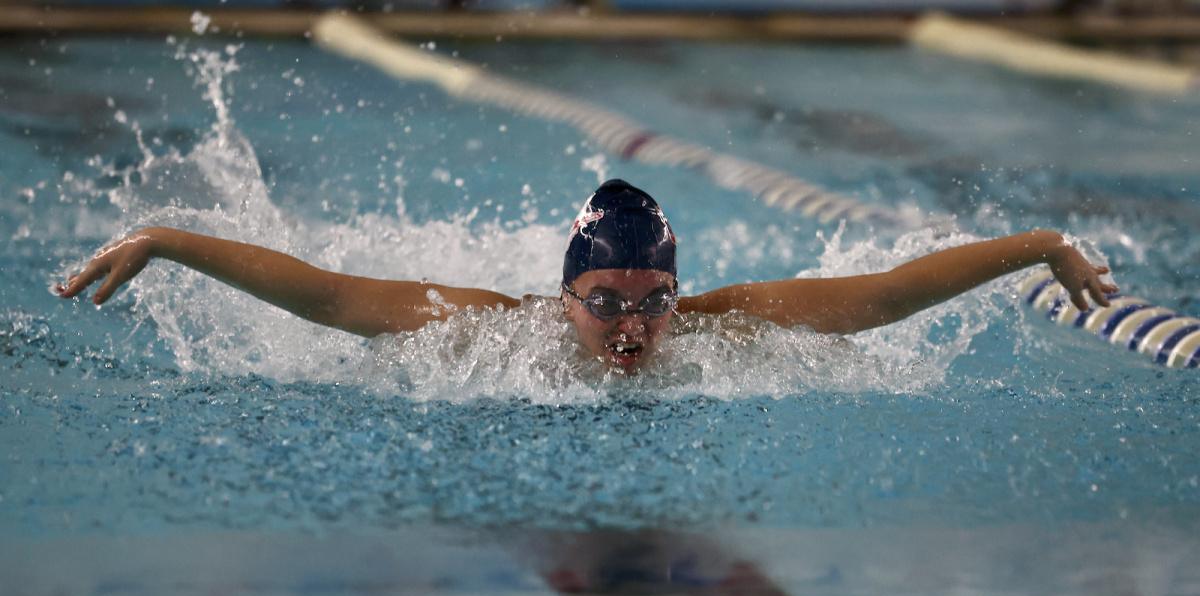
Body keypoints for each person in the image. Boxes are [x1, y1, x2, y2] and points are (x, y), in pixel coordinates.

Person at [55, 179, 1116, 372]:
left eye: (653, 302)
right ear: (565, 298)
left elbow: (879, 297)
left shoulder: (720, 329)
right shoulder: (491, 333)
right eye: (605, 304)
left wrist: (1038, 246)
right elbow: (332, 298)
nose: (634, 328)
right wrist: (172, 239)